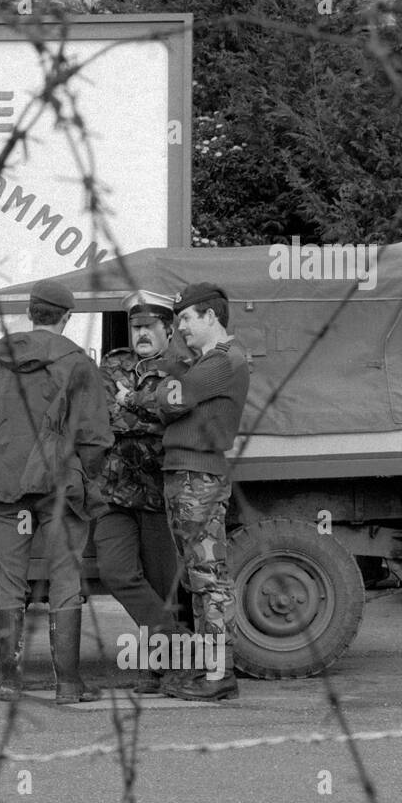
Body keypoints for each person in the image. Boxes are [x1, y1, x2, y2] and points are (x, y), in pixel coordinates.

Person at [0, 279, 113, 704]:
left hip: (7, 484)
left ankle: (9, 681)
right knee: (65, 581)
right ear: (66, 317)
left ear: (31, 312)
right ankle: (68, 684)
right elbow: (96, 437)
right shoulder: (77, 362)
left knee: (10, 583)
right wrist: (84, 476)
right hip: (60, 486)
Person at [153, 283, 250, 701]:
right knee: (196, 576)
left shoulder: (223, 360)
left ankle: (219, 673)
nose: (181, 328)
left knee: (208, 578)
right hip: (187, 474)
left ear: (212, 316)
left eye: (188, 319)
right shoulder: (206, 362)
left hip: (199, 476)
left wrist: (152, 395)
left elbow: (172, 398)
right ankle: (207, 669)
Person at [94, 291, 190, 693]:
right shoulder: (113, 363)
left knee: (164, 582)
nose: (141, 334)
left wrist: (130, 406)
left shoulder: (183, 367)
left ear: (168, 329)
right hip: (114, 492)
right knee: (116, 572)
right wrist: (141, 409)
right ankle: (177, 648)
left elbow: (173, 418)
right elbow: (102, 417)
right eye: (136, 328)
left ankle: (164, 668)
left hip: (159, 490)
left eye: (149, 327)